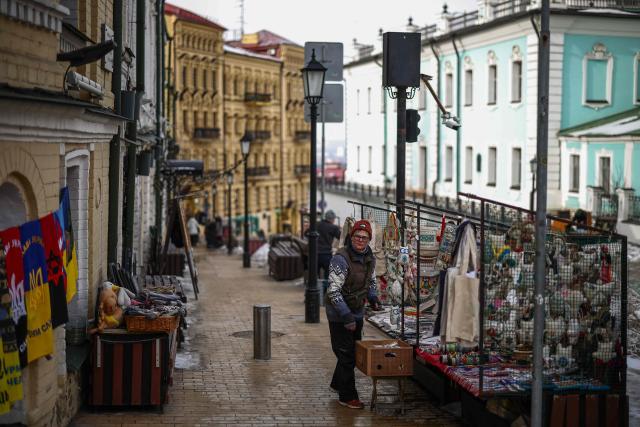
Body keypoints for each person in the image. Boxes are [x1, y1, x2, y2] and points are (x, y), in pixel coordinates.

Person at [325, 219, 381, 409]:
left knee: (352, 353)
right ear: (351, 236)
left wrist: (373, 297)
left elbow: (371, 280)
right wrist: (346, 316)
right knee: (346, 354)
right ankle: (347, 396)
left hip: (356, 311)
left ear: (369, 240)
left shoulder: (369, 257)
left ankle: (337, 383)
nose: (360, 240)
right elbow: (333, 291)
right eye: (357, 236)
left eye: (365, 238)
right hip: (339, 313)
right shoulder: (340, 259)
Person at [317, 210, 341, 280]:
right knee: (327, 275)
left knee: (315, 275)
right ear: (333, 219)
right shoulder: (333, 227)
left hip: (315, 254)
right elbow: (341, 237)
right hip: (326, 254)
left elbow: (307, 233)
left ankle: (317, 288)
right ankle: (325, 289)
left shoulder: (316, 224)